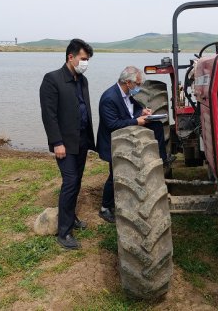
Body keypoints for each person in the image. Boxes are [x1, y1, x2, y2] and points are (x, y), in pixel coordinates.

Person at [96, 66, 174, 223]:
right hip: (113, 140)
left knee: (157, 126)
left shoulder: (125, 94)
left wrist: (142, 112)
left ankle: (160, 159)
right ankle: (105, 207)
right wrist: (136, 121)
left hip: (127, 133)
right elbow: (112, 124)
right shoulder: (109, 98)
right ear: (128, 82)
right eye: (137, 84)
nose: (139, 87)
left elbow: (133, 108)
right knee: (114, 174)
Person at [39, 38, 95, 250]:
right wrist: (57, 142)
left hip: (81, 140)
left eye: (88, 59)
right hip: (64, 144)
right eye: (83, 59)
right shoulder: (52, 79)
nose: (85, 63)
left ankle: (71, 217)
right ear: (70, 57)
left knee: (77, 181)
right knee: (70, 182)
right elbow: (49, 115)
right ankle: (64, 232)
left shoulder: (82, 81)